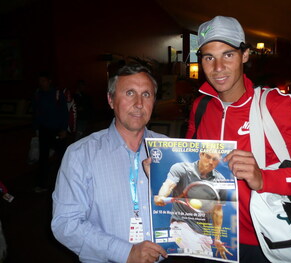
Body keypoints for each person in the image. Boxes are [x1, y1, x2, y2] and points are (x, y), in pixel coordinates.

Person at [185, 16, 291, 263]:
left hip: (266, 243)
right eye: (209, 57)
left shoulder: (276, 105)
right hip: (211, 238)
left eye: (228, 55)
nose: (218, 67)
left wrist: (264, 178)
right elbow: (194, 165)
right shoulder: (201, 106)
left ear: (245, 55)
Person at [51, 64, 168, 263]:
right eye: (130, 93)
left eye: (146, 94)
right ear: (111, 100)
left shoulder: (169, 151)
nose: (139, 103)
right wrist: (125, 252)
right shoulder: (81, 154)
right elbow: (66, 224)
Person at [154, 151, 233, 260]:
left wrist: (217, 239)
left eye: (214, 159)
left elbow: (217, 212)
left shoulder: (221, 180)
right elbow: (169, 184)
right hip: (181, 226)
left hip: (203, 234)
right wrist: (161, 195)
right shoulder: (181, 168)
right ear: (201, 154)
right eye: (208, 157)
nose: (210, 162)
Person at [32, 71, 69, 192]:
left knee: (62, 157)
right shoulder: (38, 94)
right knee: (43, 158)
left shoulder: (57, 94)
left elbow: (64, 112)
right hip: (44, 130)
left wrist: (64, 129)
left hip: (58, 131)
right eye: (40, 81)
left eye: (43, 81)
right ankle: (42, 184)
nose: (41, 83)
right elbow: (37, 112)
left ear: (49, 81)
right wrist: (36, 128)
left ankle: (64, 184)